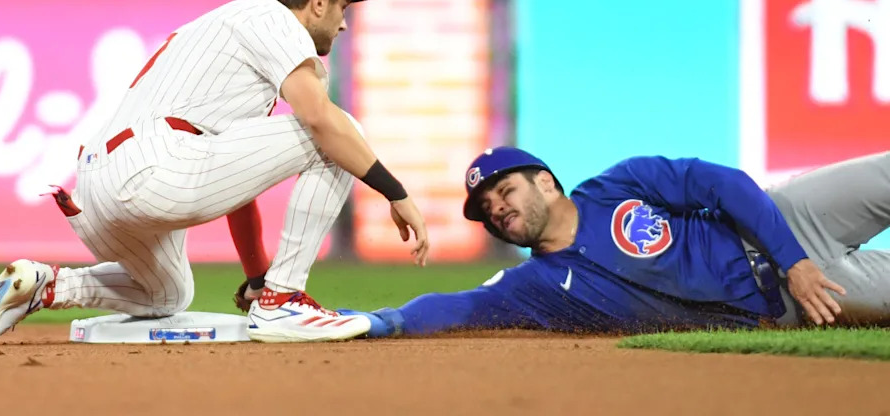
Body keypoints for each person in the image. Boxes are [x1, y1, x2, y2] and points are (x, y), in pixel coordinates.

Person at [0, 0, 429, 345]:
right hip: (155, 165)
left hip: (99, 186)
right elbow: (320, 122)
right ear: (320, 0)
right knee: (339, 129)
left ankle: (47, 286)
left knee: (166, 295)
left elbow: (235, 185)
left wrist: (255, 277)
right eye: (345, 7)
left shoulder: (233, 38)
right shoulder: (274, 18)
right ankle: (284, 301)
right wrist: (396, 191)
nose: (345, 24)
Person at [344, 146, 890, 337]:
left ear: (545, 181)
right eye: (487, 211)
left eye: (504, 191)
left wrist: (793, 258)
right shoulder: (536, 286)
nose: (499, 209)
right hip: (792, 303)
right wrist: (381, 321)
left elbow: (722, 184)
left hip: (787, 220)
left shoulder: (618, 185)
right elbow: (459, 306)